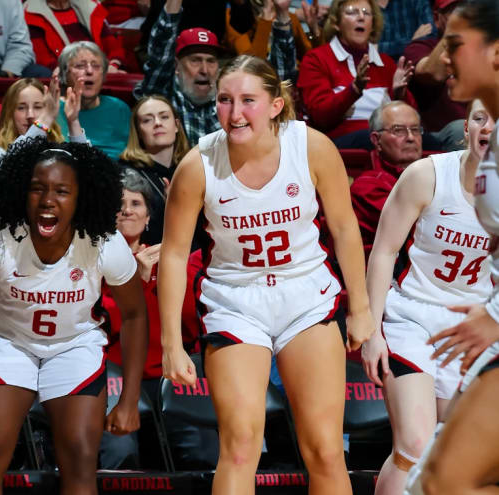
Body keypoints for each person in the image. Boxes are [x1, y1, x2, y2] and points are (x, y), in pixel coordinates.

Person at [159, 54, 373, 495]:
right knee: (239, 448)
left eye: (248, 100)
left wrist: (362, 309)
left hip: (305, 292)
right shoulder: (197, 165)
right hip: (236, 300)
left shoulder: (310, 146)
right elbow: (175, 256)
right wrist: (171, 344)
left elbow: (345, 228)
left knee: (326, 450)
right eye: (224, 100)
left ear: (276, 104)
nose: (235, 114)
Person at [0, 139, 147, 494]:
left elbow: (134, 315)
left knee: (82, 458)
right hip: (9, 344)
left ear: (80, 197)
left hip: (75, 345)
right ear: (22, 191)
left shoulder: (104, 242)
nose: (48, 200)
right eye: (37, 189)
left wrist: (129, 399)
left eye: (62, 191)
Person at [361, 98, 494, 495]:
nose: (487, 129)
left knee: (459, 456)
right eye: (478, 119)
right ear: (465, 126)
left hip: (473, 327)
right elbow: (383, 251)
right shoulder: (427, 175)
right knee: (413, 445)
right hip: (413, 316)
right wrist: (372, 332)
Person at [400, 2, 499, 494]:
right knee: (442, 476)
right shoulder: (484, 146)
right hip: (476, 326)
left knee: (447, 477)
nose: (441, 60)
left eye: (455, 47)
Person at [100, 167, 213, 469]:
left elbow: (190, 326)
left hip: (172, 377)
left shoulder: (172, 263)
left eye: (136, 204)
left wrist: (164, 279)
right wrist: (135, 284)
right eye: (119, 205)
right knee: (119, 453)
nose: (126, 211)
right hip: (117, 380)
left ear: (150, 217)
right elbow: (102, 328)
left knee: (206, 453)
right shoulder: (94, 266)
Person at [297, 0, 416, 149]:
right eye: (352, 12)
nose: (361, 17)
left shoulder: (387, 63)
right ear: (336, 23)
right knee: (374, 138)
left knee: (430, 141)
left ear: (372, 25)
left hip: (388, 137)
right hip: (340, 141)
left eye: (366, 13)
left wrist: (400, 96)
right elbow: (320, 116)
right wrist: (353, 89)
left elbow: (413, 121)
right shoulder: (316, 59)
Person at [0, 77, 86, 221]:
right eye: (21, 107)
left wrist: (73, 122)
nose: (30, 115)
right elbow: (7, 178)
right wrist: (44, 119)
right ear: (9, 113)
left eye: (38, 107)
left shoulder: (59, 155)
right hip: (6, 240)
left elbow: (91, 178)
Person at [134, 0, 224, 147]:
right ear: (176, 66)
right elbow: (160, 51)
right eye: (195, 60)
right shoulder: (161, 96)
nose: (204, 70)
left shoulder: (228, 103)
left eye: (211, 61)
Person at [349, 101, 423, 258]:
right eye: (399, 130)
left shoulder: (434, 173)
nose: (411, 137)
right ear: (376, 140)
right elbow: (423, 229)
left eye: (415, 130)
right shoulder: (367, 186)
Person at [119, 95, 190, 245]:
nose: (158, 123)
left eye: (164, 117)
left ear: (176, 125)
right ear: (138, 131)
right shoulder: (126, 173)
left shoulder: (193, 169)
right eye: (147, 120)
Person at [403, 0, 466, 151]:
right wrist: (454, 30)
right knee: (461, 129)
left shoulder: (483, 49)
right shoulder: (419, 48)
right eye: (455, 11)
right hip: (441, 134)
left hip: (482, 127)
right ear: (437, 18)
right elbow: (433, 73)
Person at [55, 41, 130, 161]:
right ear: (64, 74)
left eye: (96, 66)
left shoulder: (119, 108)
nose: (89, 71)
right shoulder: (53, 110)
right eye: (80, 66)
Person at [23, 0, 126, 72]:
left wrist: (113, 65)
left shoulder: (90, 7)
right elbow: (44, 60)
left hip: (100, 71)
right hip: (63, 76)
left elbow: (114, 48)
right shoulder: (31, 13)